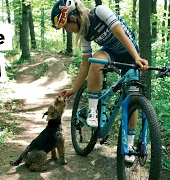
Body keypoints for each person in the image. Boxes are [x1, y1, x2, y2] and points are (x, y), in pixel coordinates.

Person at [51, 0, 148, 163]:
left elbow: (120, 33)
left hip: (130, 52)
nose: (67, 30)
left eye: (65, 26)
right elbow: (85, 63)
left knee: (132, 98)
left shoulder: (100, 12)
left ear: (73, 18)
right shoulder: (85, 32)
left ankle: (129, 145)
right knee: (95, 60)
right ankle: (93, 110)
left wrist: (136, 57)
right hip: (110, 53)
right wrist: (74, 89)